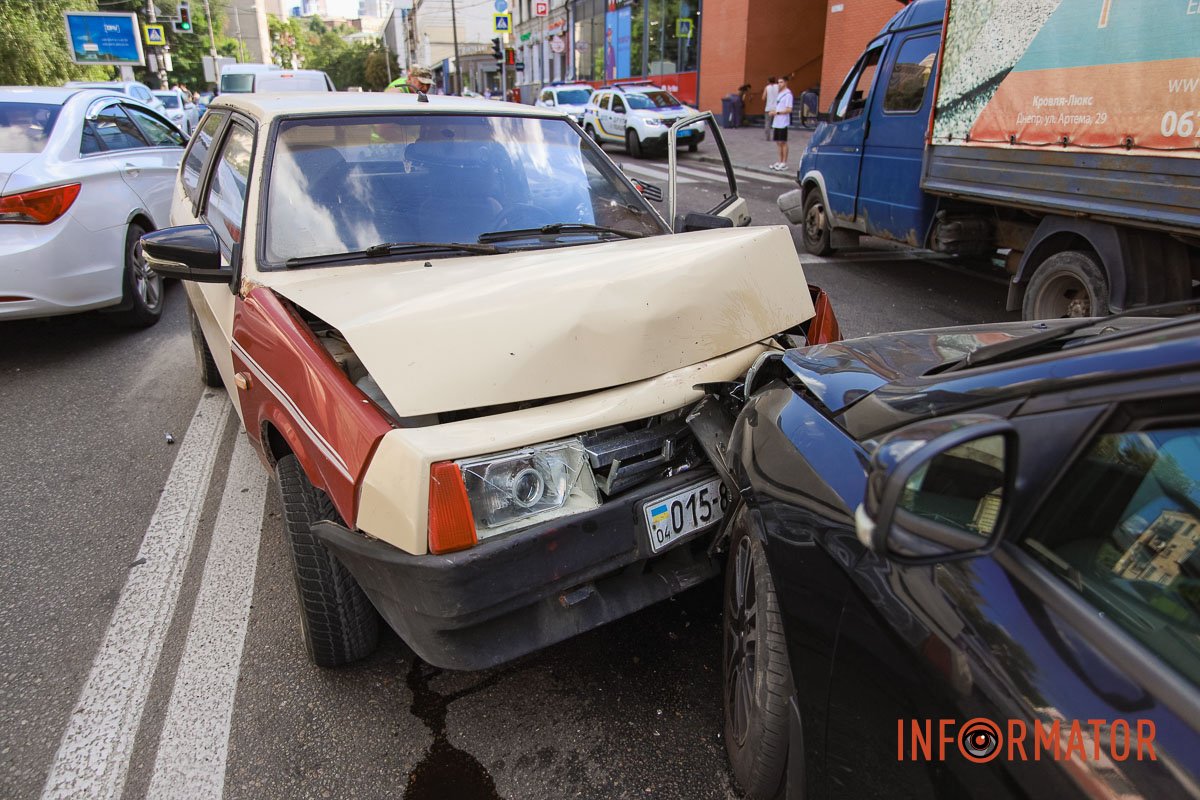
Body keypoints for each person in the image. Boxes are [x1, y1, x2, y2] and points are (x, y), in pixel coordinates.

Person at [769, 76, 793, 171]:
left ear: (786, 83)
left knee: (783, 142)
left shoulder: (788, 95)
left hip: (783, 122)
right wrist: (773, 111)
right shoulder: (779, 94)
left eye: (781, 82)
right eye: (778, 82)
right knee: (778, 142)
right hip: (777, 122)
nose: (779, 84)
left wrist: (777, 113)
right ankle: (779, 161)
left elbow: (789, 109)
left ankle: (784, 162)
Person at [762, 76, 779, 140]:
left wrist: (768, 98)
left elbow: (763, 97)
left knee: (767, 122)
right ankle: (776, 136)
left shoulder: (767, 87)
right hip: (776, 108)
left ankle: (768, 137)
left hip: (768, 108)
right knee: (776, 122)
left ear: (768, 81)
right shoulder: (778, 87)